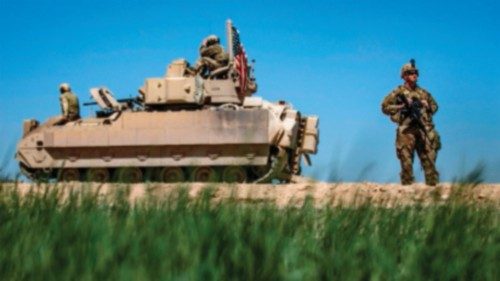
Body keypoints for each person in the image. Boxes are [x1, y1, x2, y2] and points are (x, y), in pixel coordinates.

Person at [381, 59, 441, 186]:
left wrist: (426, 105)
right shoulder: (398, 92)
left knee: (429, 161)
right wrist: (401, 107)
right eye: (410, 73)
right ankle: (406, 193)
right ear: (404, 76)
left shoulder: (423, 93)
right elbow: (384, 107)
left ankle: (432, 190)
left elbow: (435, 106)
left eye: (416, 73)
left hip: (422, 129)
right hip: (406, 130)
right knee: (406, 163)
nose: (414, 75)